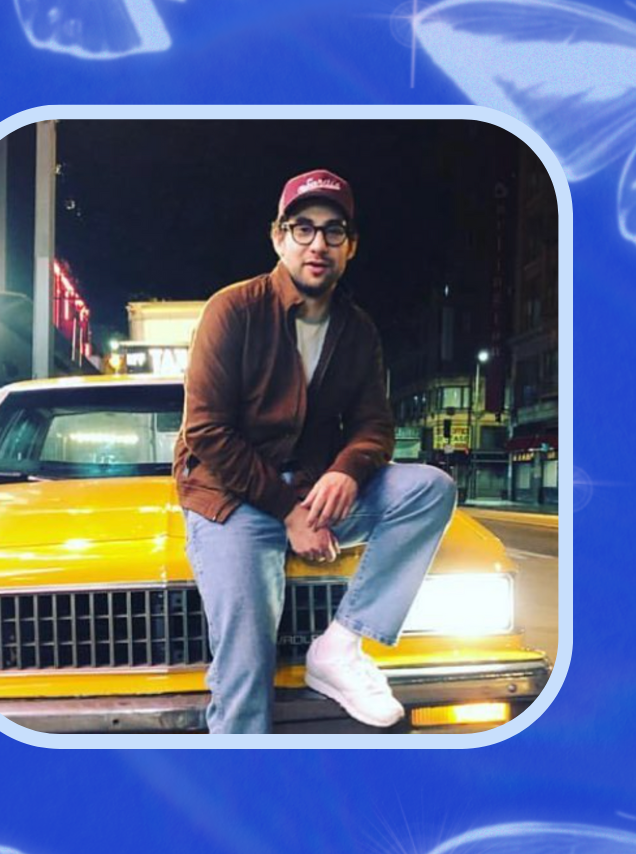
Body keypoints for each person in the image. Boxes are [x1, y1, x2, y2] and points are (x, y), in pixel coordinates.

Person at [174, 168, 457, 734]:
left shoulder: (358, 331)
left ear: (351, 247)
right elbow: (206, 432)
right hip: (233, 500)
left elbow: (375, 422)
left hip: (315, 489)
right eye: (302, 229)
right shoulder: (233, 311)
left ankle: (342, 646)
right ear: (278, 237)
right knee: (247, 666)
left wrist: (349, 472)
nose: (317, 245)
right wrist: (289, 513)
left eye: (333, 231)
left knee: (431, 488)